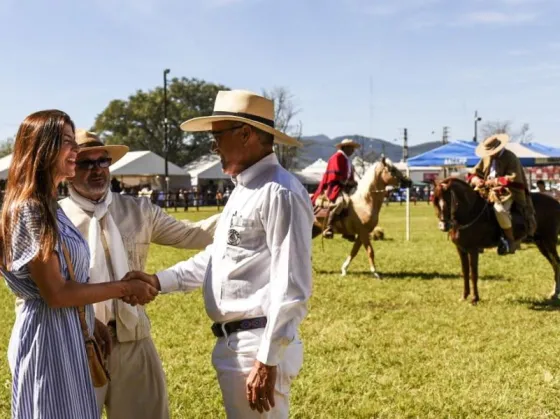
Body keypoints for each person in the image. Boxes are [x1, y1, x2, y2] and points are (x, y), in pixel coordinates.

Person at [123, 89, 313, 418]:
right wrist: (158, 280)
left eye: (217, 137)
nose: (213, 147)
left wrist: (267, 359)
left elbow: (292, 284)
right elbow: (218, 260)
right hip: (237, 343)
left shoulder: (278, 191)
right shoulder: (245, 189)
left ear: (245, 134)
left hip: (256, 342)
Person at [0, 110, 157, 419]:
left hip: (67, 330)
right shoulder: (31, 210)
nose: (75, 151)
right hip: (49, 337)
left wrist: (89, 319)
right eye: (67, 143)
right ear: (42, 148)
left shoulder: (48, 206)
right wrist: (125, 286)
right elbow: (56, 292)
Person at [58, 129, 220, 419]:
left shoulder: (139, 210)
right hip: (76, 343)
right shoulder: (55, 219)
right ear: (69, 169)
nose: (97, 170)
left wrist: (246, 214)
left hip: (133, 337)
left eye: (103, 161)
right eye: (86, 163)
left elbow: (194, 234)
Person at [468, 133, 536, 255]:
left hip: (508, 191)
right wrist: (476, 180)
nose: (489, 154)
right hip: (486, 190)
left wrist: (493, 182)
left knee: (499, 210)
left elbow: (513, 178)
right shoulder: (486, 157)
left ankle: (510, 240)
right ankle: (477, 239)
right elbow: (474, 173)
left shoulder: (510, 157)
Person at [311, 138, 360, 238]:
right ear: (345, 147)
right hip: (333, 187)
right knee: (340, 203)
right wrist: (346, 182)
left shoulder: (347, 160)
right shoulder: (337, 157)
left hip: (345, 188)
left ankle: (348, 230)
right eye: (351, 148)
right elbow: (334, 177)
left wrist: (352, 182)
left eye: (353, 148)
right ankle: (328, 227)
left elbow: (349, 176)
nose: (353, 151)